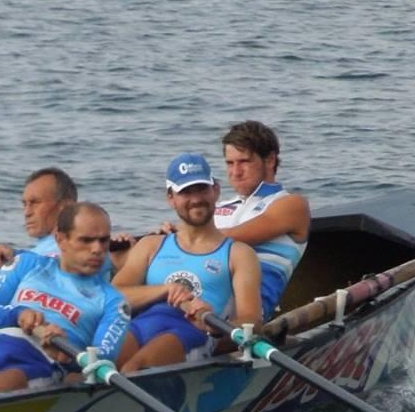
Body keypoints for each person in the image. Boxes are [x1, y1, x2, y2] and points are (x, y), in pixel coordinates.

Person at [0, 201, 136, 395]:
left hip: (41, 360)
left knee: (1, 386)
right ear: (60, 239)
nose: (97, 249)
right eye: (86, 240)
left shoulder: (114, 302)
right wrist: (18, 314)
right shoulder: (27, 264)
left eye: (104, 240)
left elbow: (100, 360)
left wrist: (68, 355)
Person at [113, 155, 263, 371]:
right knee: (100, 362)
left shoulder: (239, 254)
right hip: (143, 324)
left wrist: (215, 327)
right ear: (170, 198)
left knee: (133, 369)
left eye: (202, 189)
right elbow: (114, 296)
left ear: (216, 190)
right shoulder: (150, 245)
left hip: (193, 332)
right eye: (186, 192)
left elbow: (252, 322)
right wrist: (165, 290)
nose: (196, 199)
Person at [213, 120, 310, 316]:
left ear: (270, 160)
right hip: (201, 295)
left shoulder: (291, 204)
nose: (235, 172)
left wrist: (180, 234)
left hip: (244, 313)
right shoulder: (219, 206)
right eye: (230, 163)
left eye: (244, 162)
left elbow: (229, 240)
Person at [0, 167, 78, 272]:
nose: (27, 213)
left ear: (65, 206)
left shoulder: (67, 249)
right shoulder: (40, 251)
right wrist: (12, 254)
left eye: (35, 203)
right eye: (25, 204)